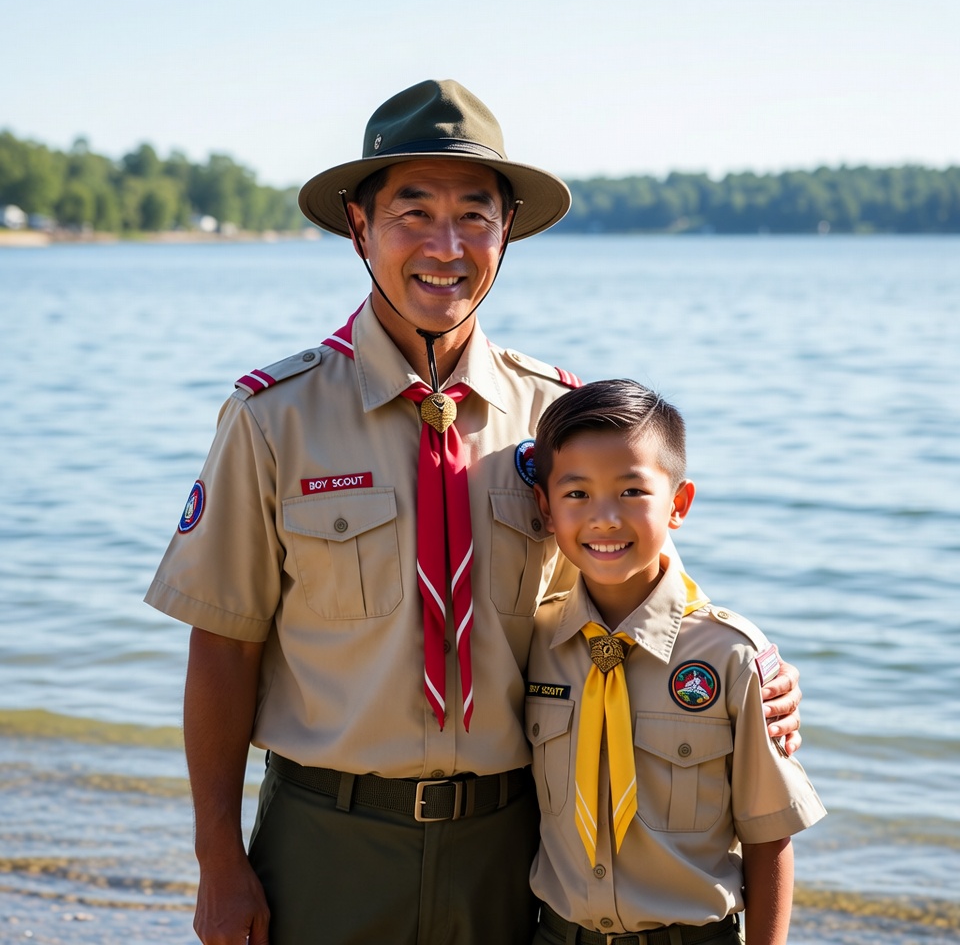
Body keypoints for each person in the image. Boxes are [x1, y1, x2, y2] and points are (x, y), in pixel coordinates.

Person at [144, 80, 804, 945]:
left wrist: (747, 663)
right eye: (412, 212)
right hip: (327, 839)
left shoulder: (555, 416)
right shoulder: (275, 418)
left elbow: (624, 580)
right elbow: (223, 648)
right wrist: (218, 862)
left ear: (507, 234)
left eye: (475, 216)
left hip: (516, 842)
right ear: (359, 225)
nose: (445, 247)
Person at [527, 380, 826, 945]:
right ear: (545, 507)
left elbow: (769, 837)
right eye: (577, 494)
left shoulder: (730, 655)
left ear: (679, 504)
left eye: (632, 492)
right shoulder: (536, 641)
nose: (605, 518)